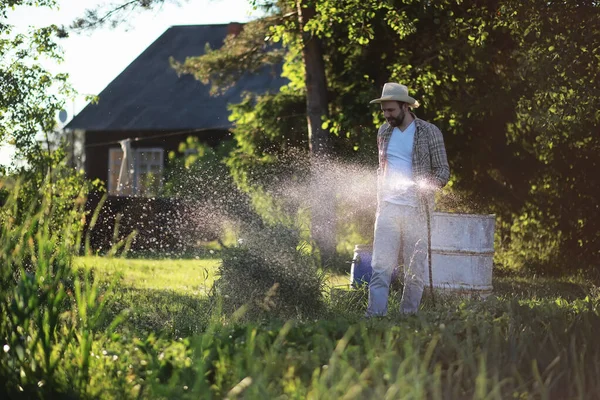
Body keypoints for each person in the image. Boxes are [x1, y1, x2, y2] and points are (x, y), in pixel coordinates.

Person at [367, 82, 450, 316]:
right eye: (384, 110)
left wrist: (428, 186)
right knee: (380, 266)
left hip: (417, 211)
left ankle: (408, 316)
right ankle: (374, 316)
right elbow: (381, 170)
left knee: (415, 269)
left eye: (391, 110)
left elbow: (443, 170)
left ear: (405, 106)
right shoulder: (384, 132)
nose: (386, 115)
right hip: (388, 209)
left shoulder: (429, 132)